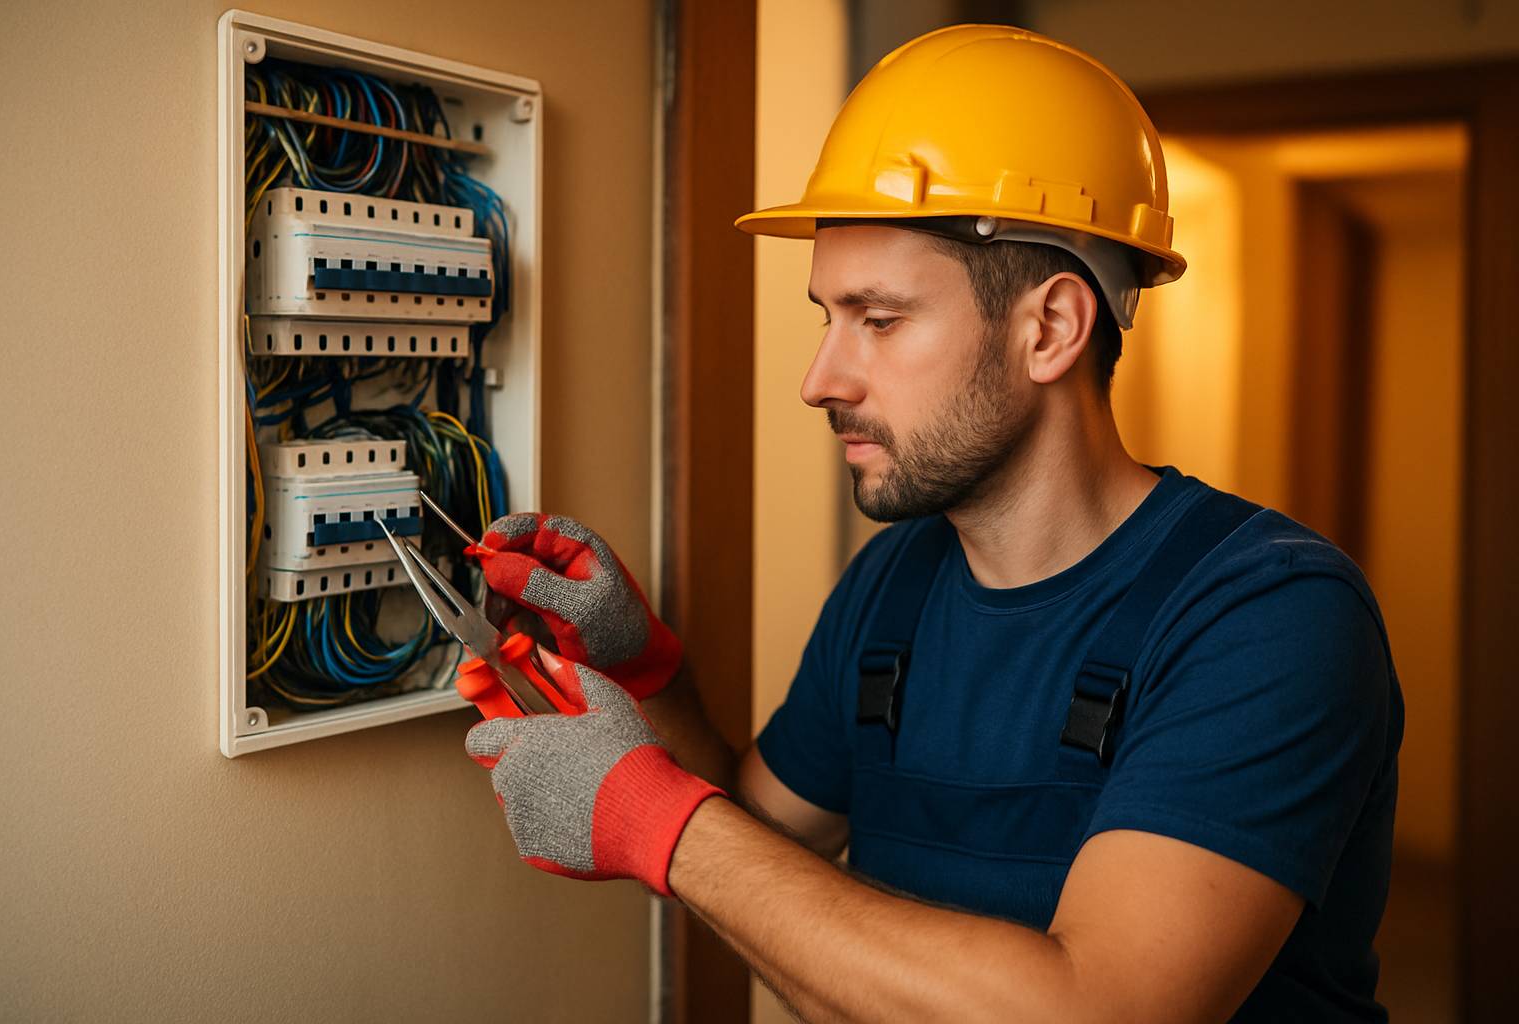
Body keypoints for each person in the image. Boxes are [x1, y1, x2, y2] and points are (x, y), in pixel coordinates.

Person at [459, 25, 1403, 1023]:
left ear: (1049, 329)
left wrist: (660, 825)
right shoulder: (895, 584)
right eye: (828, 316)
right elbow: (763, 846)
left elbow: (1103, 1008)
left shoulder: (1270, 616)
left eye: (880, 319)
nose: (819, 380)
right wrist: (645, 673)